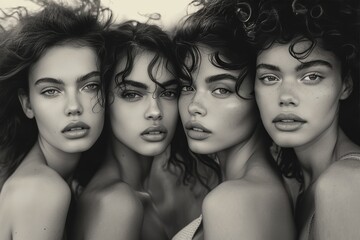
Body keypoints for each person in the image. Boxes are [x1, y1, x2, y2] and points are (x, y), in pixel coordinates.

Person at [72, 20, 217, 240]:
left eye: (168, 93)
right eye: (132, 94)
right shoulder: (117, 203)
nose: (155, 111)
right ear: (102, 103)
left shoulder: (130, 195)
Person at [172, 1, 296, 239]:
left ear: (260, 97)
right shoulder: (266, 189)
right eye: (186, 86)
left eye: (221, 90)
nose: (194, 106)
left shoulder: (231, 202)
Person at [250, 0, 360, 239]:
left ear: (346, 85)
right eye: (269, 78)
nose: (286, 98)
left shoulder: (347, 182)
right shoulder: (298, 187)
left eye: (311, 76)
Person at [0, 2, 110, 239]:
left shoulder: (60, 181)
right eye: (51, 90)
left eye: (90, 86)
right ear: (27, 104)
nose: (74, 107)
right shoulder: (42, 190)